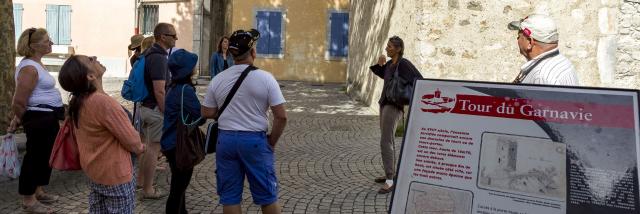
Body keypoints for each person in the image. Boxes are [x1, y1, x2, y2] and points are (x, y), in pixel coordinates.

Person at [202, 29, 287, 214]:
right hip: (255, 142)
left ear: (232, 54)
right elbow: (281, 116)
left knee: (230, 197)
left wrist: (227, 112)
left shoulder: (218, 79)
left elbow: (207, 111)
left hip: (225, 141)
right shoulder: (266, 78)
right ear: (253, 52)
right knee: (267, 196)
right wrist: (271, 141)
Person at [58, 55, 145, 213]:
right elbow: (132, 141)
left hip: (94, 171)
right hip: (115, 173)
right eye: (90, 60)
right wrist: (141, 147)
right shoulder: (102, 102)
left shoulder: (80, 101)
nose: (95, 57)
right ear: (90, 76)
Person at [8, 28, 63, 214]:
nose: (51, 43)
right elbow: (19, 100)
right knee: (34, 157)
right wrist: (23, 119)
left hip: (47, 116)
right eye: (47, 40)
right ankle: (28, 200)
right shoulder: (29, 68)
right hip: (38, 118)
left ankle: (38, 191)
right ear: (33, 45)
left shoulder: (36, 63)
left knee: (45, 156)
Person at [369, 36, 423, 194]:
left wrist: (409, 97)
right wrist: (380, 65)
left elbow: (419, 79)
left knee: (386, 141)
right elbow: (385, 78)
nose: (387, 48)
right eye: (387, 46)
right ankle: (390, 174)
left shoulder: (403, 64)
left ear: (399, 49)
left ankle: (390, 180)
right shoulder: (389, 65)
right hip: (384, 104)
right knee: (387, 140)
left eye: (390, 46)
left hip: (394, 106)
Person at [160, 49, 204, 213]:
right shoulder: (185, 90)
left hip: (170, 142)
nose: (196, 67)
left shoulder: (173, 87)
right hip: (179, 144)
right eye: (193, 65)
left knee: (179, 185)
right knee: (178, 188)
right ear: (187, 70)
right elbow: (201, 116)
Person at [137, 22, 177, 200]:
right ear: (163, 37)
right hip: (154, 109)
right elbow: (159, 90)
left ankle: (140, 182)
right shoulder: (159, 57)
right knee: (153, 150)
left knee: (147, 148)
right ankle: (147, 189)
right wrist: (165, 111)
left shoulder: (149, 53)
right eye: (173, 35)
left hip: (146, 107)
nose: (176, 38)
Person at [508, 14, 579, 85]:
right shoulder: (563, 62)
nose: (517, 39)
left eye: (519, 36)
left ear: (530, 42)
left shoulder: (540, 77)